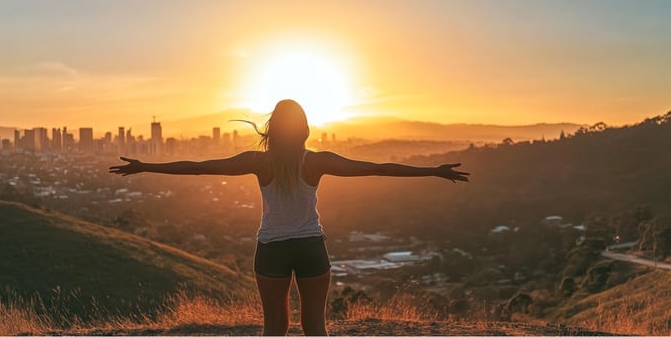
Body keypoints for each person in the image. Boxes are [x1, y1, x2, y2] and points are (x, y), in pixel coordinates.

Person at [109, 99, 469, 336]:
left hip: (272, 250)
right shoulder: (316, 161)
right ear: (304, 128)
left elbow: (198, 167)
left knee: (274, 328)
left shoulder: (258, 162)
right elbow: (378, 168)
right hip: (312, 247)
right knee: (315, 326)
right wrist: (432, 170)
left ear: (273, 127)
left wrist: (145, 166)